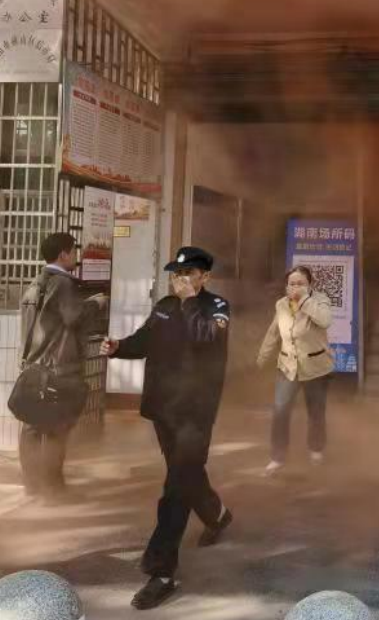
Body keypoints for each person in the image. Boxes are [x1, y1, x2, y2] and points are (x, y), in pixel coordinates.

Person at [100, 246, 232, 610]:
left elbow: (206, 338)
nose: (180, 280)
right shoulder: (165, 305)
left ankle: (161, 572)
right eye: (176, 274)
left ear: (205, 277)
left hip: (195, 413)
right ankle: (218, 515)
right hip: (164, 409)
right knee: (185, 474)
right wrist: (118, 347)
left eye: (188, 274)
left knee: (175, 488)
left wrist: (189, 303)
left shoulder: (216, 307)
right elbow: (145, 340)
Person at [19, 233, 108, 500]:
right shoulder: (64, 284)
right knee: (56, 429)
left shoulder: (35, 283)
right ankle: (53, 490)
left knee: (32, 427)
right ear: (63, 254)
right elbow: (74, 318)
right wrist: (95, 303)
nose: (76, 256)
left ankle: (32, 486)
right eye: (74, 251)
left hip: (33, 367)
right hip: (59, 369)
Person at [257, 266, 334, 477]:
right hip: (288, 367)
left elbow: (325, 320)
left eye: (301, 283)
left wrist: (304, 300)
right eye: (292, 284)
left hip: (316, 368)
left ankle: (316, 449)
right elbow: (273, 332)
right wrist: (263, 356)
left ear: (310, 285)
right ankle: (277, 457)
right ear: (286, 286)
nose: (296, 287)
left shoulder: (320, 301)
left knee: (316, 412)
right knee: (280, 411)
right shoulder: (281, 304)